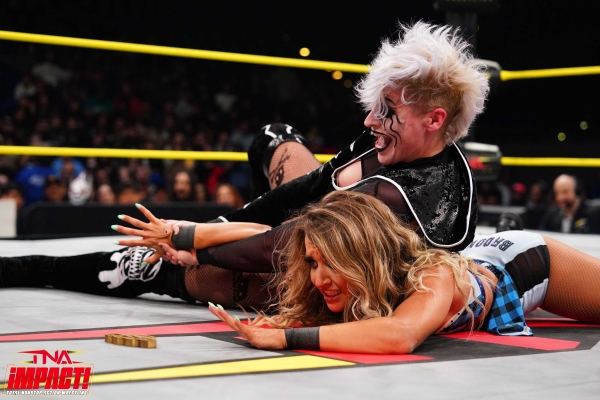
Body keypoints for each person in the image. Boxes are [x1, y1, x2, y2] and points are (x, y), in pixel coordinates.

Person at [0, 21, 488, 309]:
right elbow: (307, 189)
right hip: (298, 233)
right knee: (274, 138)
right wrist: (217, 225)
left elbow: (287, 243)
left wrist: (193, 246)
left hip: (319, 283)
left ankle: (26, 268)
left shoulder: (403, 195)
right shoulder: (384, 143)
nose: (370, 119)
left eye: (388, 110)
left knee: (147, 268)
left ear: (434, 119)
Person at [200, 191, 599, 353]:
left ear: (360, 256)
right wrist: (187, 237)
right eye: (313, 263)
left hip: (522, 261)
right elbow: (265, 235)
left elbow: (401, 334)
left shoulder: (434, 275)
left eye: (330, 263)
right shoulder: (359, 284)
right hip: (476, 258)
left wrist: (288, 338)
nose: (318, 279)